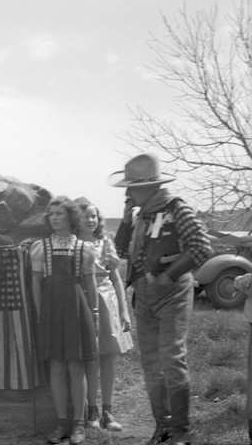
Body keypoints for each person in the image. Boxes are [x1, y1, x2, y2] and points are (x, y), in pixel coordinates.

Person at [111, 153, 212, 445]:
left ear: (148, 186)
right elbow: (121, 251)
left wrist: (170, 275)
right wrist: (127, 218)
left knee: (171, 360)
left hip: (172, 295)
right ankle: (162, 427)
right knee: (151, 363)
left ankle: (180, 431)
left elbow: (201, 247)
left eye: (131, 188)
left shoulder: (176, 209)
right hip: (144, 295)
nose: (128, 192)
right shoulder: (141, 214)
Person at [30, 196, 99, 445]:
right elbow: (36, 282)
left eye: (59, 213)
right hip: (51, 310)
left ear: (70, 217)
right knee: (57, 366)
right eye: (51, 214)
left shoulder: (83, 248)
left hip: (76, 309)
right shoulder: (41, 247)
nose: (54, 217)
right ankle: (62, 423)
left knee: (76, 366)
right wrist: (40, 313)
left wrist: (94, 312)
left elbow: (90, 283)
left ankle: (78, 424)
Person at [75, 197, 133, 432]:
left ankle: (108, 410)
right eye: (85, 215)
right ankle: (92, 410)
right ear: (76, 220)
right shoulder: (73, 243)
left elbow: (116, 276)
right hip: (83, 300)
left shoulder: (105, 242)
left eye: (94, 216)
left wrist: (123, 309)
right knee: (89, 357)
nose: (90, 220)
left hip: (106, 298)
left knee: (108, 357)